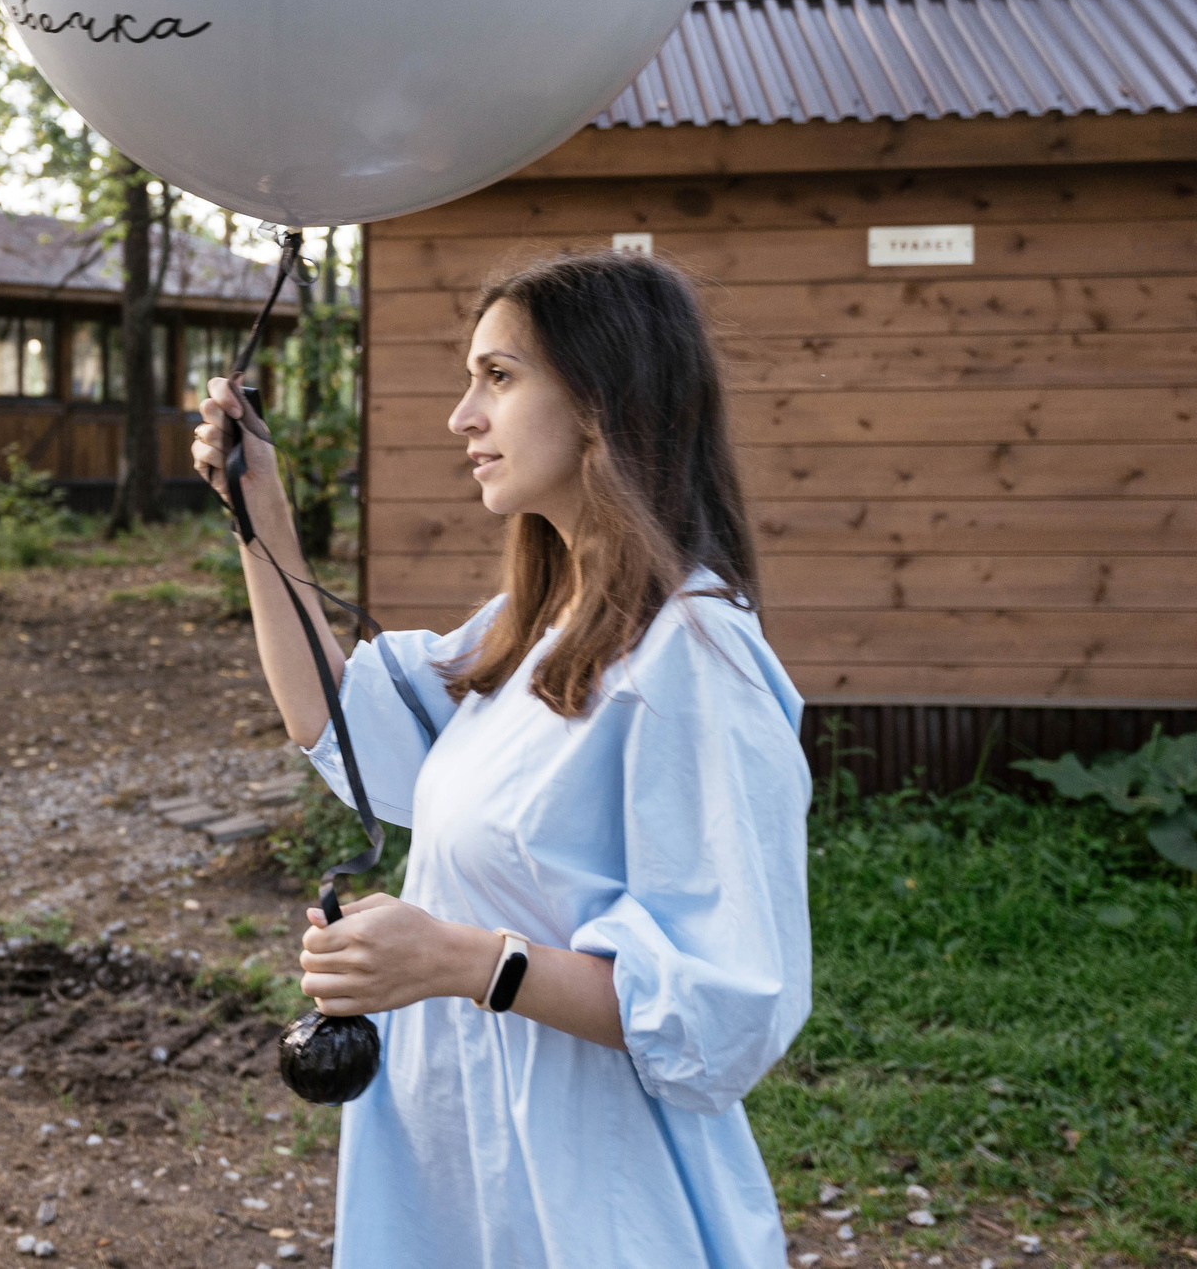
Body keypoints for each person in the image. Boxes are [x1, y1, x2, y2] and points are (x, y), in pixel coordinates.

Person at [191, 251, 813, 1269]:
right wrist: (263, 527)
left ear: (602, 401)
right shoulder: (539, 628)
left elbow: (723, 1010)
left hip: (589, 1193)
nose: (461, 416)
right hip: (457, 1159)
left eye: (499, 376)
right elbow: (342, 721)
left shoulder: (692, 659)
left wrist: (461, 960)